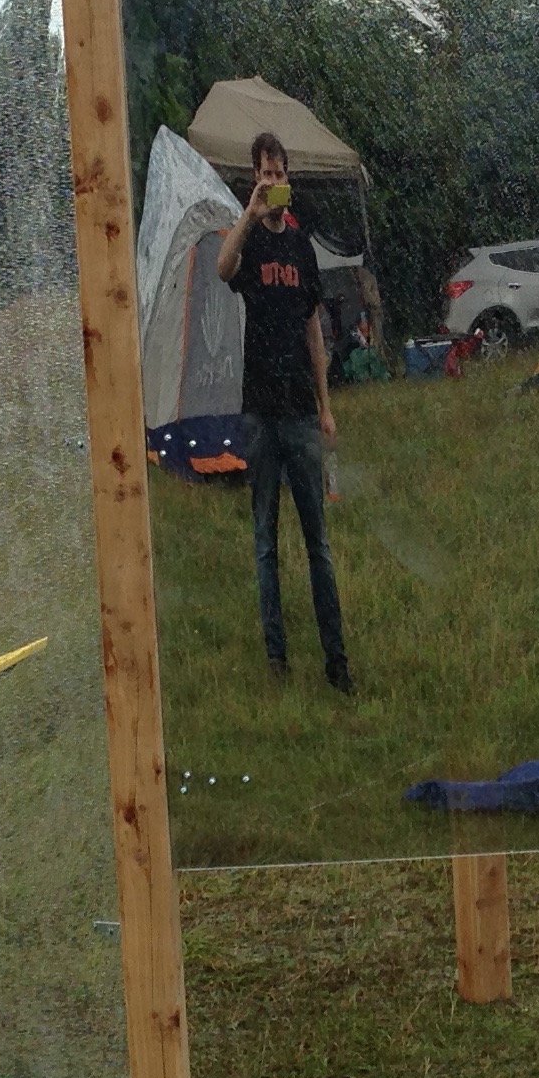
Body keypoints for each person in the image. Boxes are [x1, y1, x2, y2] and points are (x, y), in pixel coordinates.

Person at [215, 133, 353, 691]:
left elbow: (313, 330)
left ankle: (336, 663)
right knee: (266, 540)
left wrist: (326, 406)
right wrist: (247, 216)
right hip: (259, 415)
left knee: (317, 543)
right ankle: (277, 660)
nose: (273, 184)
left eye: (279, 175)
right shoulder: (252, 246)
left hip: (299, 412)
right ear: (256, 180)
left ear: (288, 179)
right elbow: (223, 270)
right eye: (264, 176)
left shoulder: (300, 248)